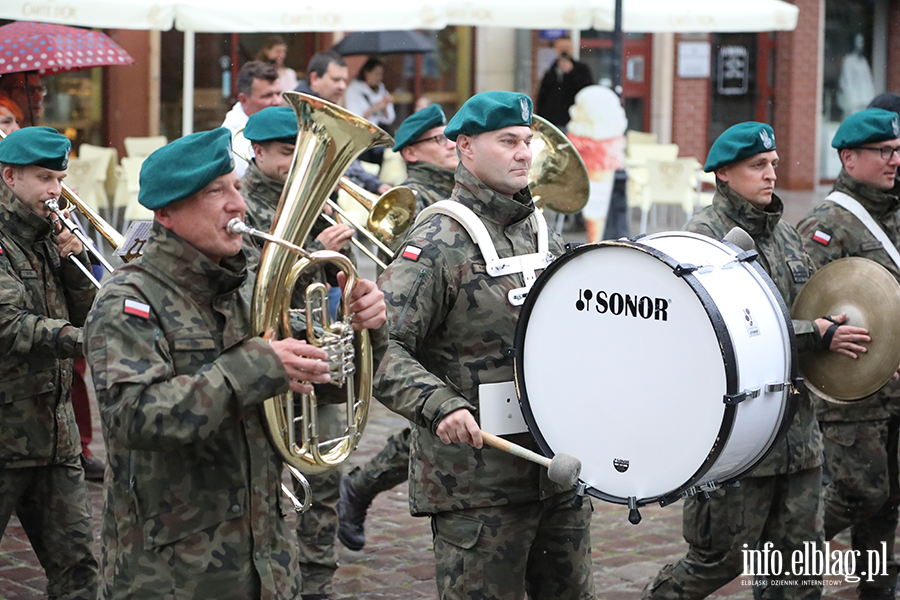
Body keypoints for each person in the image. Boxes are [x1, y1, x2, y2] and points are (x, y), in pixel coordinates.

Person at [83, 127, 386, 600]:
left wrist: (360, 327)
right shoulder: (128, 301)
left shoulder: (249, 290)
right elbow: (136, 418)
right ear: (167, 212)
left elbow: (320, 384)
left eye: (237, 188)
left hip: (267, 561)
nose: (237, 205)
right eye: (214, 192)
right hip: (172, 574)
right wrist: (255, 366)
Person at [374, 91, 595, 599]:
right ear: (466, 147)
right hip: (477, 487)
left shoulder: (542, 231)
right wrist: (439, 405)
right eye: (508, 141)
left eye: (527, 140)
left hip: (557, 469)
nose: (524, 153)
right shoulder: (436, 239)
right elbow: (381, 347)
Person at [642, 122, 872, 600]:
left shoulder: (788, 237)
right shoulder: (701, 239)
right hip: (734, 435)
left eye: (772, 164)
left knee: (797, 573)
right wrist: (816, 334)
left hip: (797, 436)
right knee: (716, 562)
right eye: (756, 166)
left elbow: (811, 312)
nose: (770, 174)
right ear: (723, 173)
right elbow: (717, 333)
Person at [240, 106, 357, 599]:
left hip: (319, 359)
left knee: (324, 472)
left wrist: (345, 278)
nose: (296, 162)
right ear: (258, 152)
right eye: (288, 152)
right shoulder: (240, 211)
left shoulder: (317, 203)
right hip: (273, 362)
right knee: (264, 482)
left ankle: (317, 581)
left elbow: (334, 287)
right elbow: (253, 300)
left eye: (301, 151)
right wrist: (311, 252)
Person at [336, 103, 459, 552]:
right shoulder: (415, 198)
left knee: (449, 420)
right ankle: (360, 486)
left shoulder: (458, 190)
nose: (450, 145)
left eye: (452, 137)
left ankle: (359, 487)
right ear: (410, 153)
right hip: (427, 320)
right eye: (438, 140)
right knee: (442, 420)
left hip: (456, 314)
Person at [796, 108, 900, 600]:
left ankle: (879, 590)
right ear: (849, 158)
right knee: (861, 491)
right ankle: (792, 556)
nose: (894, 160)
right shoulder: (825, 225)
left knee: (887, 503)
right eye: (884, 152)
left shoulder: (895, 214)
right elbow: (803, 310)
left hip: (894, 390)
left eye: (897, 151)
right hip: (852, 396)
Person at [0, 126, 99, 599]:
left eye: (60, 178)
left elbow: (89, 312)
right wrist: (91, 341)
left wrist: (73, 265)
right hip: (3, 436)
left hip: (55, 435)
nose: (56, 192)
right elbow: (10, 326)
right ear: (9, 176)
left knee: (79, 569)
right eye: (44, 178)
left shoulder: (52, 235)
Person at [296, 51, 390, 197]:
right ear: (314, 79)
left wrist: (374, 184)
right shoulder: (299, 112)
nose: (342, 86)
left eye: (344, 81)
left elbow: (342, 157)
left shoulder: (324, 109)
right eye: (335, 80)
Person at [221, 60, 284, 178]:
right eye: (267, 95)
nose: (277, 101)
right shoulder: (231, 141)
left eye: (278, 93)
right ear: (243, 100)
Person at [535, 36, 594, 131]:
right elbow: (542, 98)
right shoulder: (550, 71)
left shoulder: (582, 70)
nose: (564, 51)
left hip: (575, 121)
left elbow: (587, 91)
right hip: (552, 121)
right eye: (561, 48)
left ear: (572, 49)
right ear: (556, 49)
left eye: (567, 48)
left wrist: (571, 73)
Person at [345, 57, 395, 166]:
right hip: (364, 137)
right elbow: (354, 117)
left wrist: (385, 106)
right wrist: (374, 108)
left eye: (381, 74)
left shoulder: (382, 89)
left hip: (379, 136)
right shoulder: (354, 90)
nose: (379, 77)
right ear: (367, 72)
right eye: (376, 73)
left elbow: (389, 118)